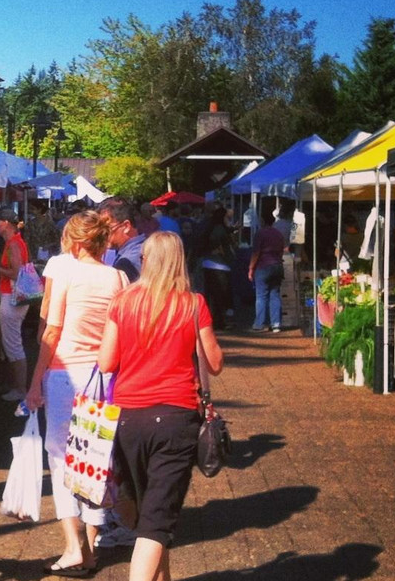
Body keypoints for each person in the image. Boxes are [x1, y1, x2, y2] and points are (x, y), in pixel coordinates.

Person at [97, 231, 224, 581]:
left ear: (144, 260)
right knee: (156, 521)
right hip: (175, 418)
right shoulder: (193, 304)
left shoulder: (122, 302)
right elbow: (214, 363)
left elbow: (106, 362)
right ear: (180, 261)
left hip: (128, 419)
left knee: (148, 514)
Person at [24, 211, 129, 577]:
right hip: (104, 377)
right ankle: (92, 543)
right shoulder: (119, 277)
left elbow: (51, 334)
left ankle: (74, 546)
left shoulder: (67, 274)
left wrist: (34, 381)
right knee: (96, 458)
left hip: (64, 375)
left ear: (78, 241)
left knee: (61, 458)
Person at [0, 209, 31, 401]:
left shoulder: (13, 244)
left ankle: (20, 389)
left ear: (6, 222)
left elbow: (15, 273)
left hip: (12, 297)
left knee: (13, 345)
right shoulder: (16, 241)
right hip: (16, 297)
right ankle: (16, 386)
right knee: (13, 344)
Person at [248, 207, 287, 332]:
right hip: (277, 265)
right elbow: (282, 250)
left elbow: (256, 253)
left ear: (262, 221)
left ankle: (260, 324)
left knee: (261, 296)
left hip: (263, 266)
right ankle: (276, 323)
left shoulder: (260, 234)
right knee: (275, 294)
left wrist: (251, 268)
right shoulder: (278, 234)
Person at [200, 206, 235, 330]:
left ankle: (213, 320)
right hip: (220, 265)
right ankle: (220, 321)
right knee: (221, 295)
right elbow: (224, 245)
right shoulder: (219, 230)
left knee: (212, 296)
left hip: (208, 263)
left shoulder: (210, 227)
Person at [98, 198, 147, 283]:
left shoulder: (127, 262)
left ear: (126, 226)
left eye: (107, 229)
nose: (102, 234)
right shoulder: (147, 247)